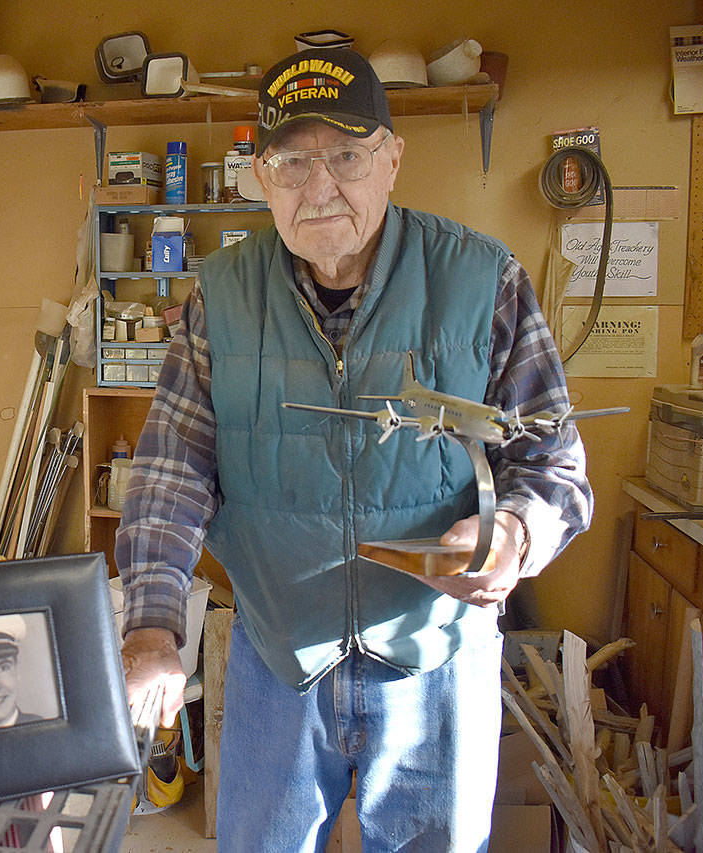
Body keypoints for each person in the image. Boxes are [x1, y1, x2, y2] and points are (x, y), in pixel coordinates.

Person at [116, 47, 592, 852]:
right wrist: (154, 626)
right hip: (278, 657)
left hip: (434, 658)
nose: (320, 185)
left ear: (392, 159)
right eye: (293, 161)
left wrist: (512, 534)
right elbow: (172, 472)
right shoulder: (222, 299)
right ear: (260, 176)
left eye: (346, 154)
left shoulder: (483, 280)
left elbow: (555, 466)